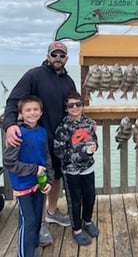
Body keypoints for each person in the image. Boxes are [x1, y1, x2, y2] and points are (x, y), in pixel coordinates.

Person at [2, 41, 77, 246]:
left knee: (55, 178)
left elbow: (73, 108)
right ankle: (40, 222)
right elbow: (12, 101)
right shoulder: (34, 75)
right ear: (48, 56)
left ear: (66, 59)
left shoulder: (69, 81)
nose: (58, 59)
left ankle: (52, 212)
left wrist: (83, 128)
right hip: (37, 140)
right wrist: (9, 125)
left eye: (62, 56)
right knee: (39, 179)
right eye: (55, 55)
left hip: (61, 142)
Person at [3, 95, 54, 257]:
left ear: (41, 112)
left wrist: (50, 180)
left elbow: (46, 158)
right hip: (22, 185)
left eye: (35, 110)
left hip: (40, 183)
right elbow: (9, 162)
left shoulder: (42, 131)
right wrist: (33, 169)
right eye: (28, 110)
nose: (32, 113)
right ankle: (24, 254)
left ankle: (30, 249)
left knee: (37, 218)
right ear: (21, 113)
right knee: (28, 221)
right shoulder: (17, 133)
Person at [54, 91, 99, 246]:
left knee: (90, 196)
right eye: (70, 105)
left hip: (88, 168)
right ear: (66, 108)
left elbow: (95, 143)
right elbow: (58, 151)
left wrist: (94, 147)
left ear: (83, 106)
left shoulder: (90, 123)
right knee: (74, 201)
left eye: (78, 104)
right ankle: (77, 230)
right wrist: (80, 154)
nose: (74, 107)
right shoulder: (63, 127)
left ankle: (87, 221)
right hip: (71, 170)